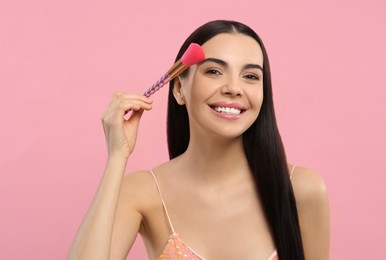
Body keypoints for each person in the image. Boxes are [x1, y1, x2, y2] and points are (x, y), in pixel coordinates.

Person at [68, 20, 330, 260]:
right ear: (180, 89)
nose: (233, 88)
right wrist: (117, 156)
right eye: (214, 71)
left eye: (250, 76)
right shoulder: (142, 192)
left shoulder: (302, 189)